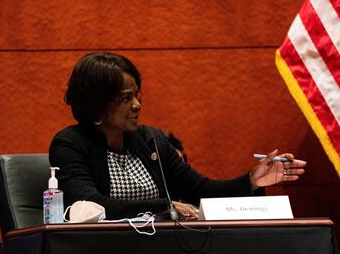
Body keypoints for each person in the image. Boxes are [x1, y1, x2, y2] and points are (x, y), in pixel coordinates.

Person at [49, 52, 306, 220]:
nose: (137, 105)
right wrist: (164, 206)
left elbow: (199, 190)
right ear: (97, 105)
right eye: (126, 99)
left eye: (137, 95)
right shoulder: (70, 145)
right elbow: (90, 204)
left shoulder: (150, 140)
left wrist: (251, 180)